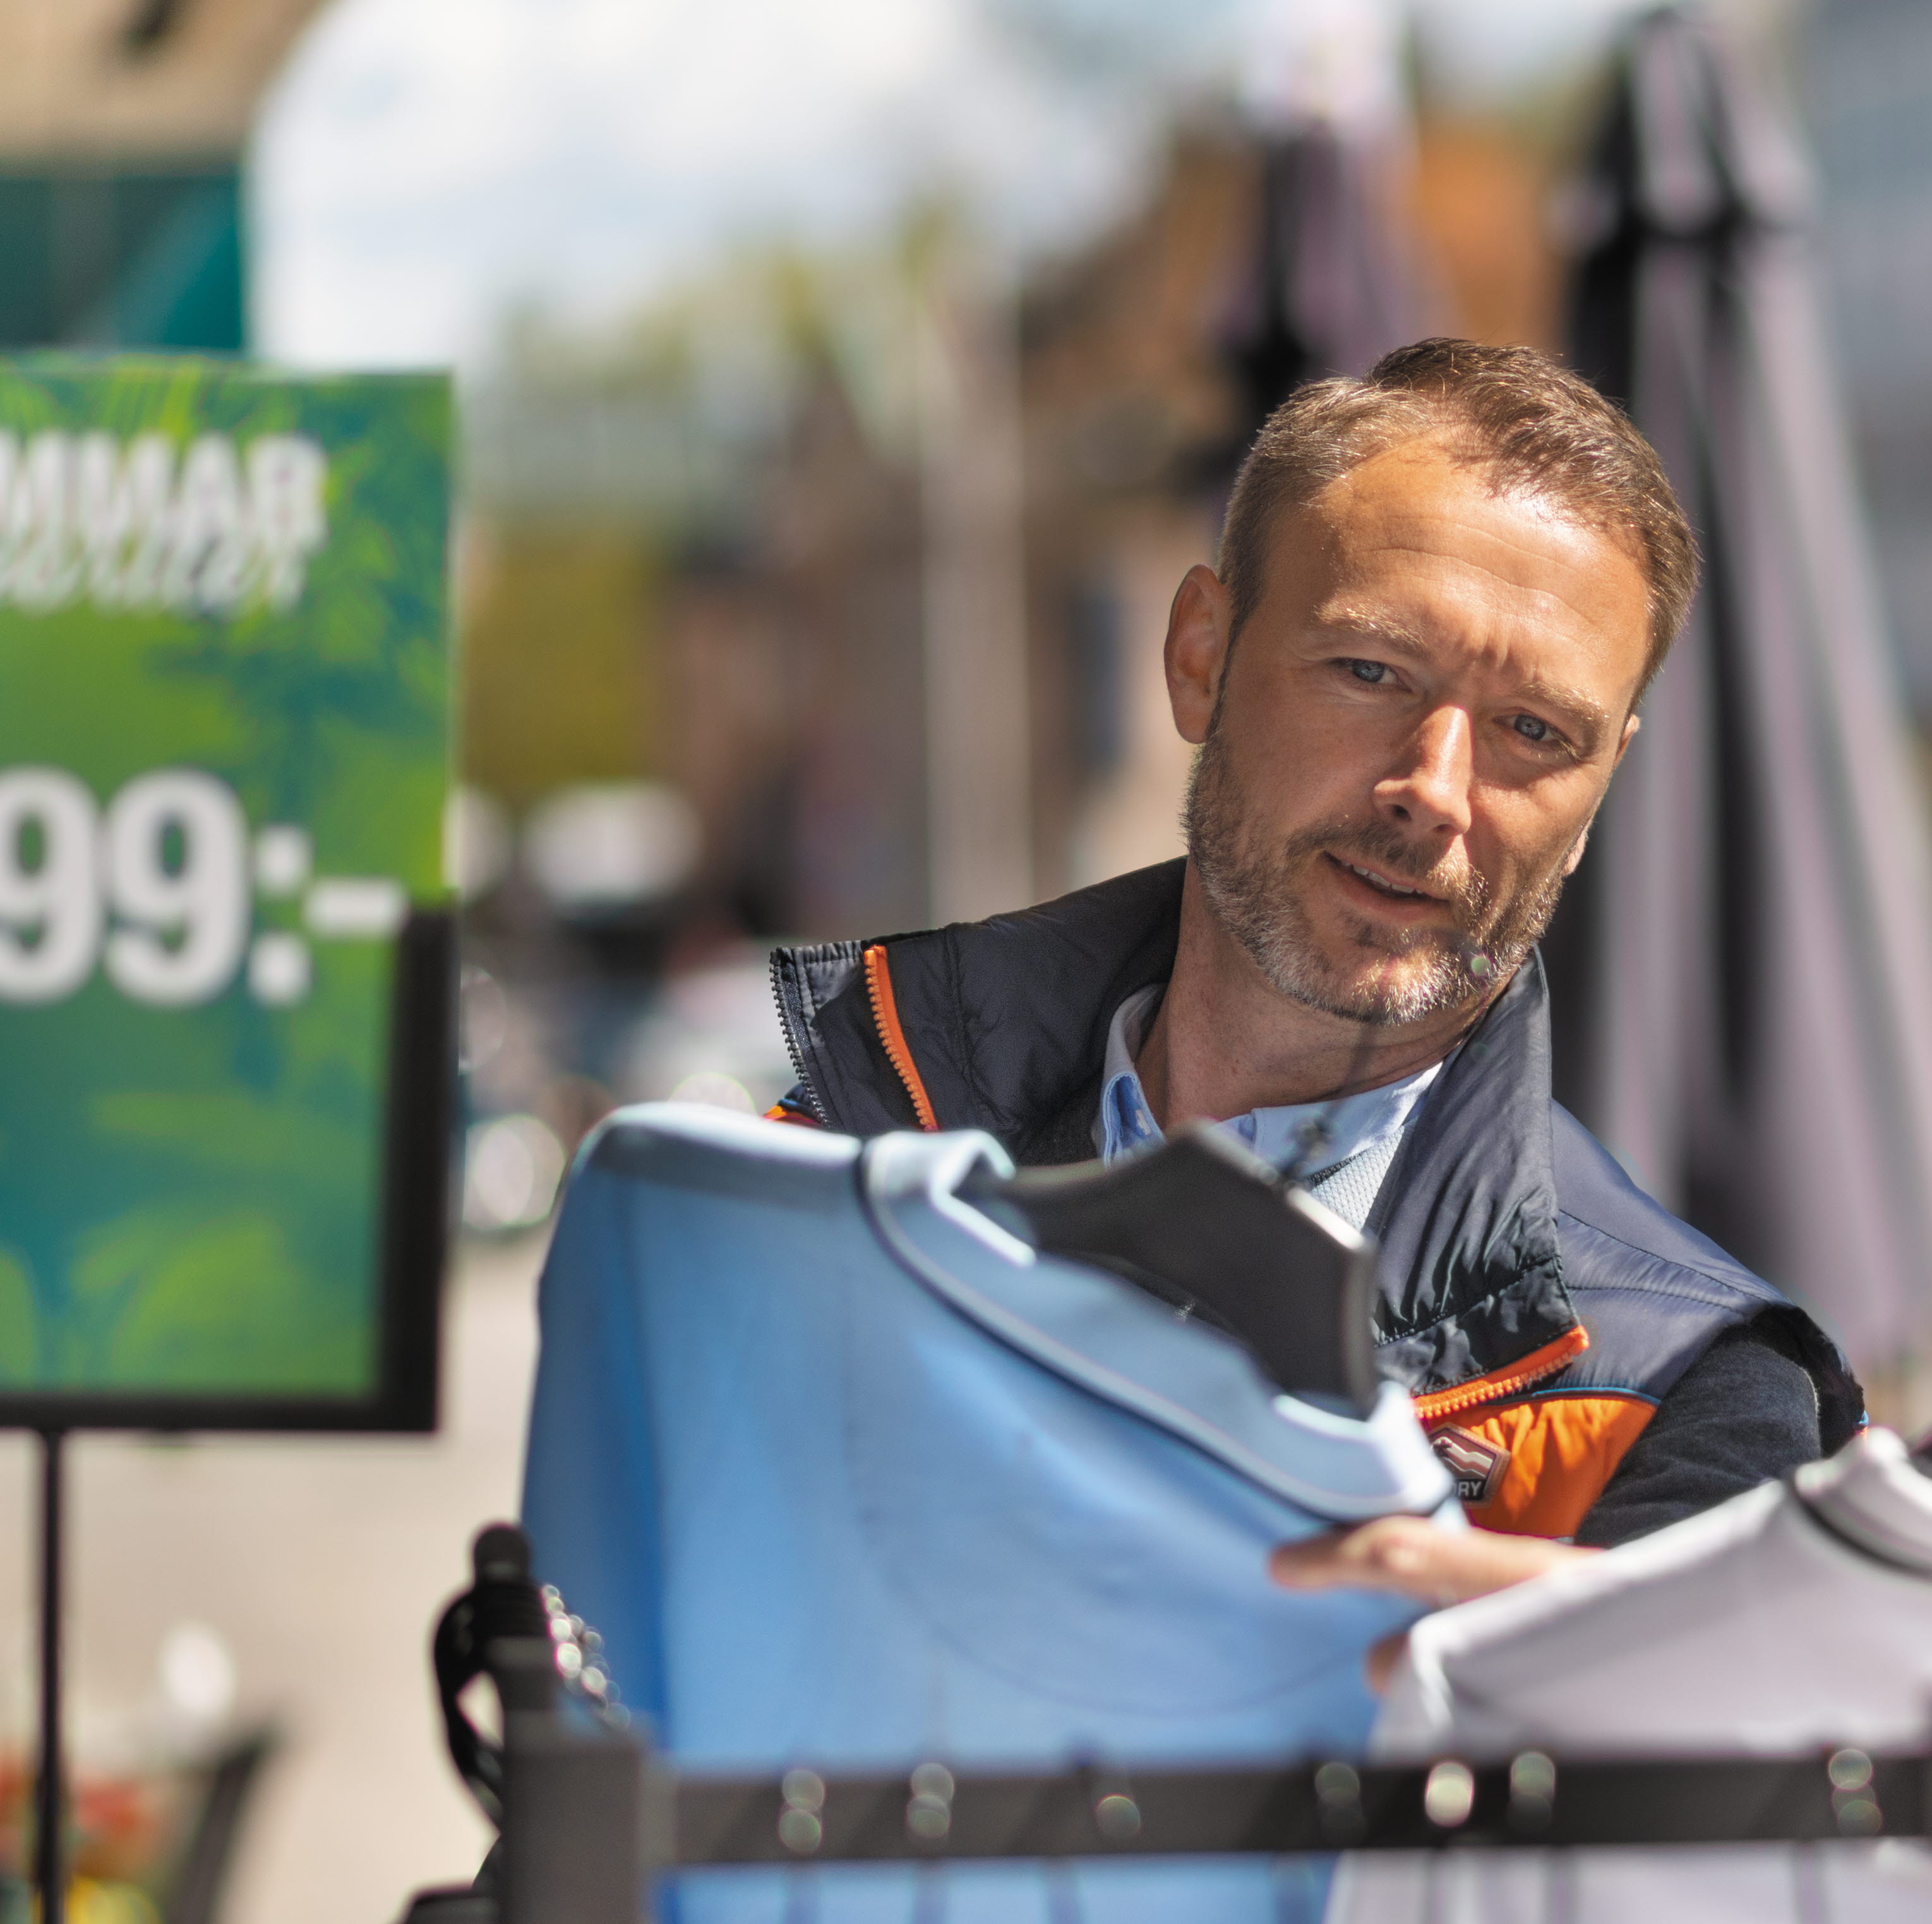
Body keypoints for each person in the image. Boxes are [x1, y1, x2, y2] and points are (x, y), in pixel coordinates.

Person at [768, 340, 1859, 1575]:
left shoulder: (1684, 1383)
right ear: (1199, 658)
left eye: (1535, 731)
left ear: (1606, 781)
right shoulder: (834, 1156)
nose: (1435, 792)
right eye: (1371, 670)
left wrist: (1554, 1684)